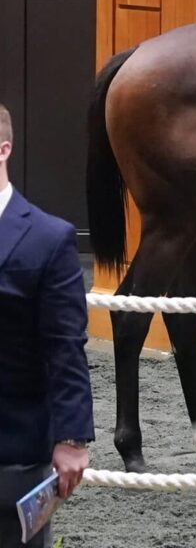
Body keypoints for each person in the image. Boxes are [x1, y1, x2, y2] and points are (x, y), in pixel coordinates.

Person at [0, 103, 94, 547]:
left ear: (3, 149)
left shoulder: (48, 237)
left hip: (14, 451)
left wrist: (72, 438)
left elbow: (65, 348)